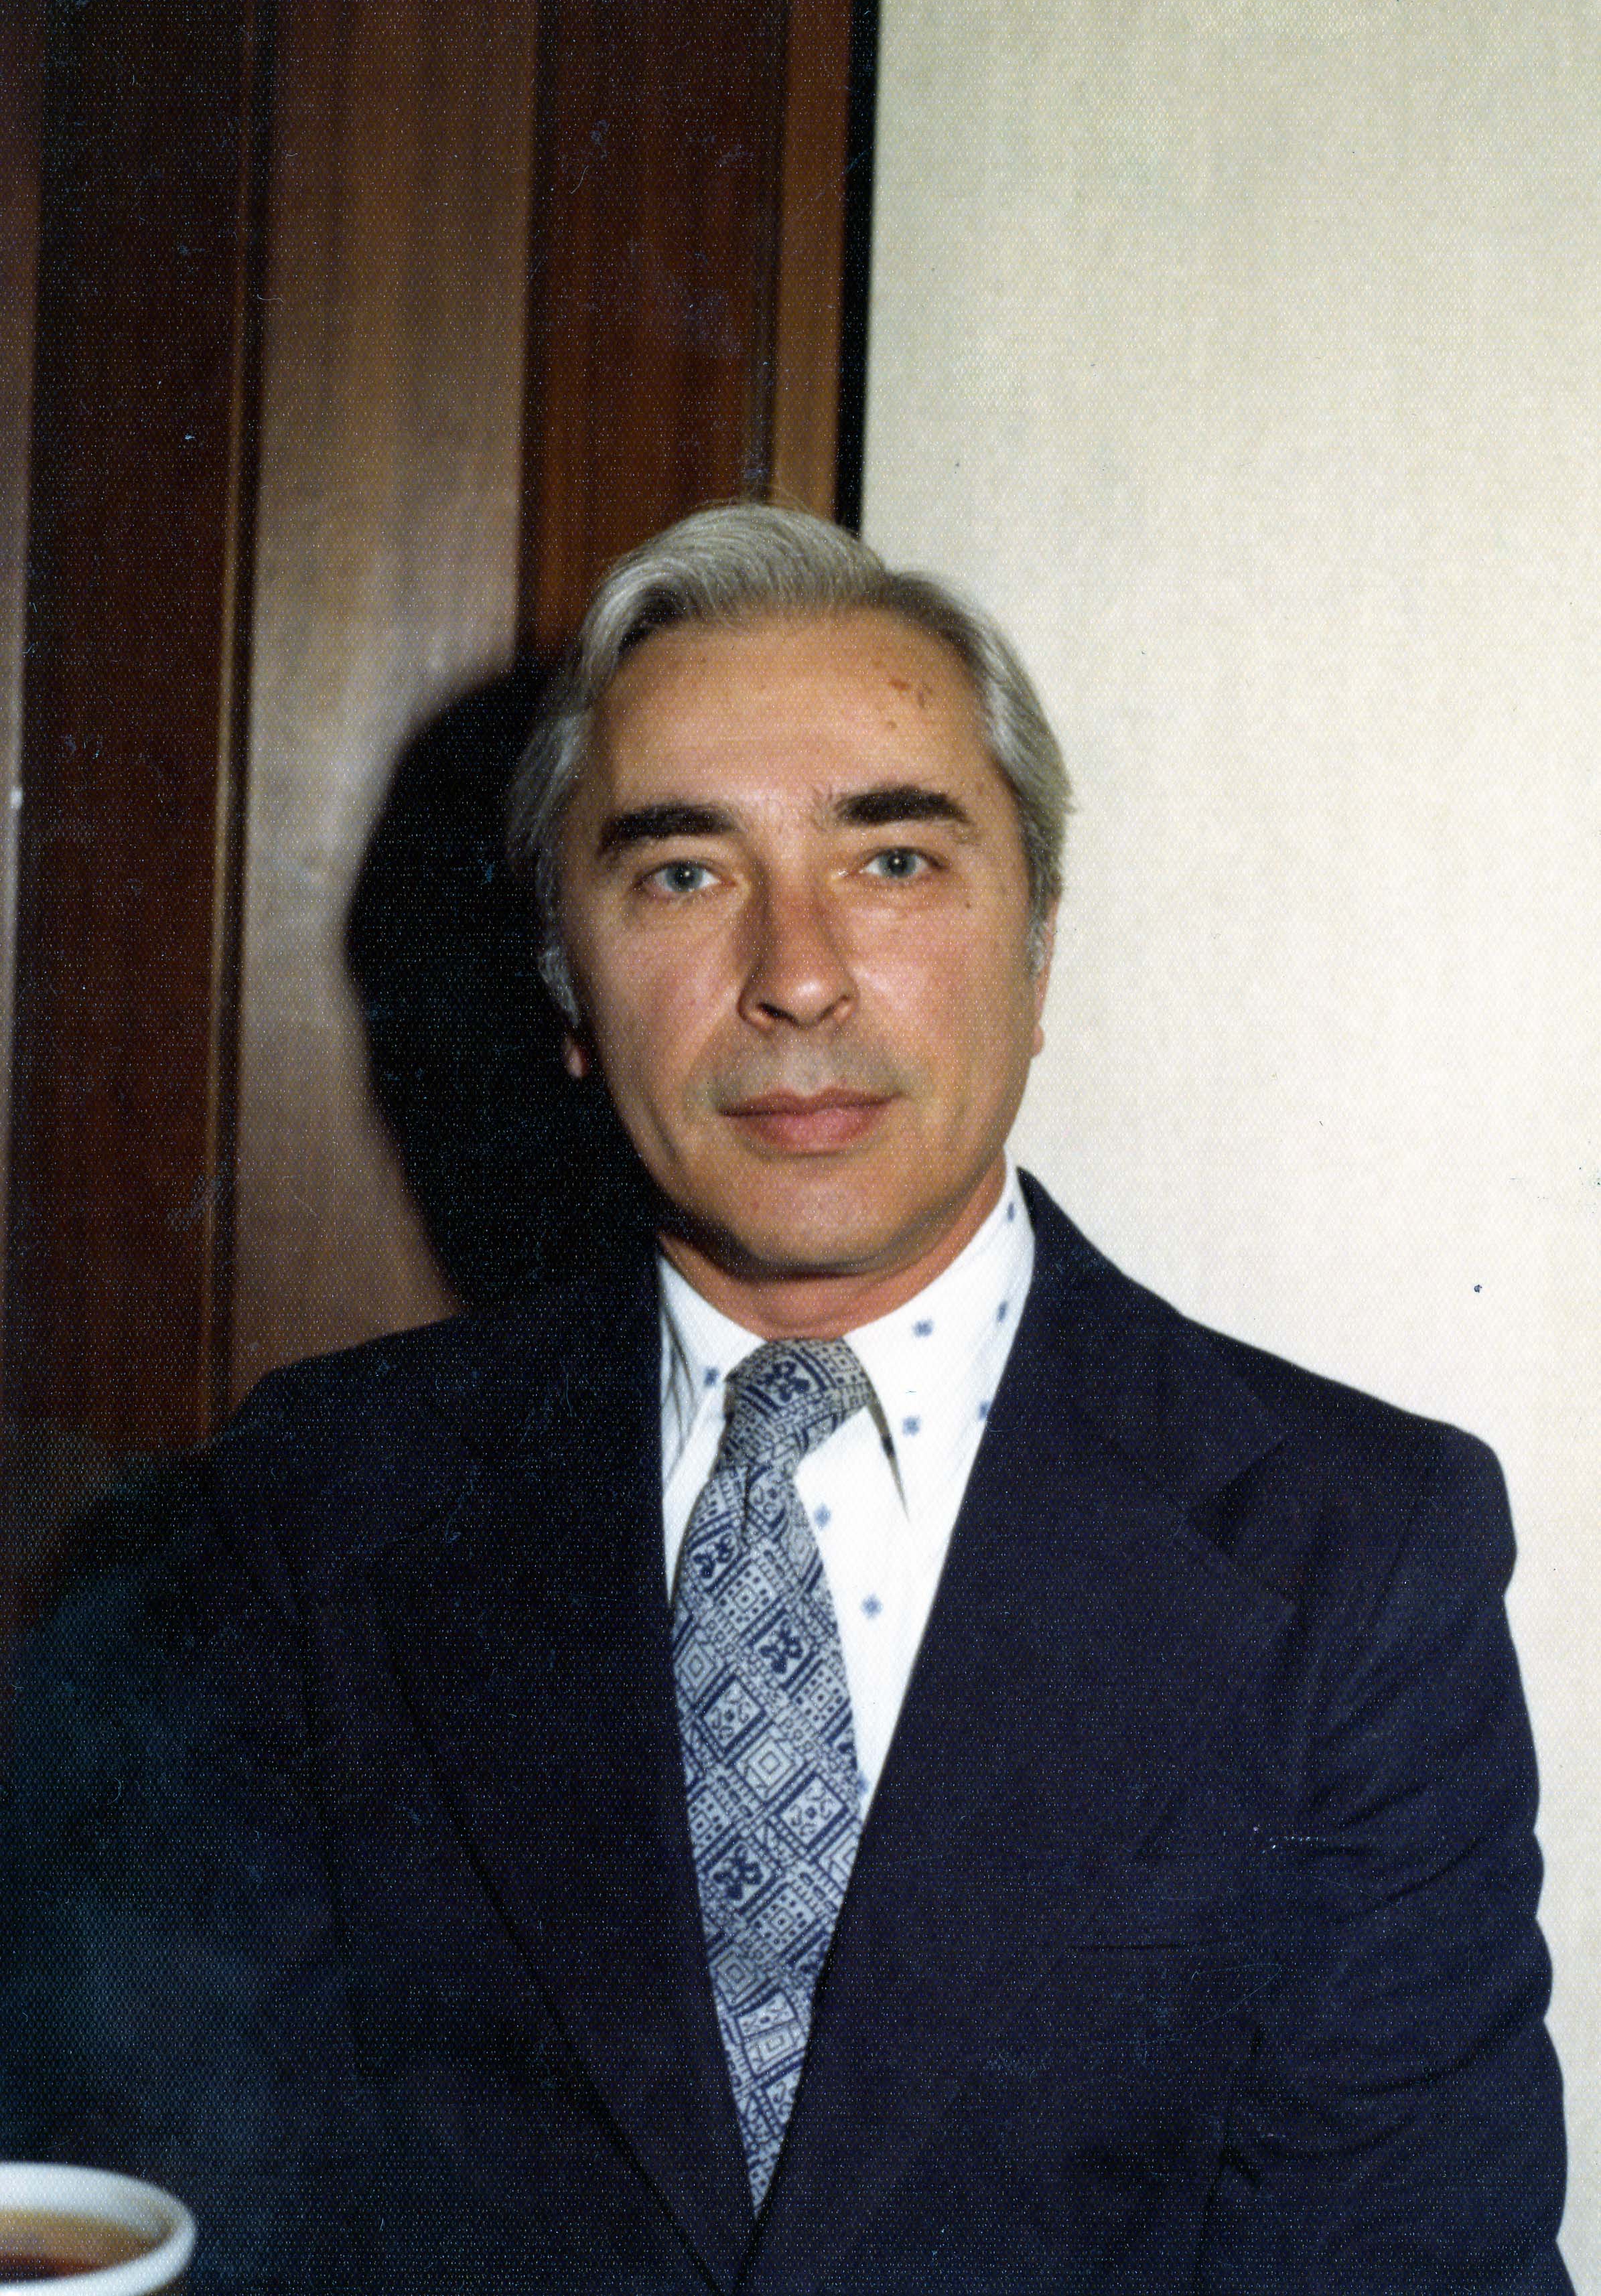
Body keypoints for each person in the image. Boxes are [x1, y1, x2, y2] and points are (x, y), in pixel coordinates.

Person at [1, 506, 1570, 2293]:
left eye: (893, 860)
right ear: (566, 991)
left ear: (1039, 951)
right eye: (685, 874)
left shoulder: (1353, 1555)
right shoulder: (310, 1508)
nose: (798, 973)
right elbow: (166, 2212)